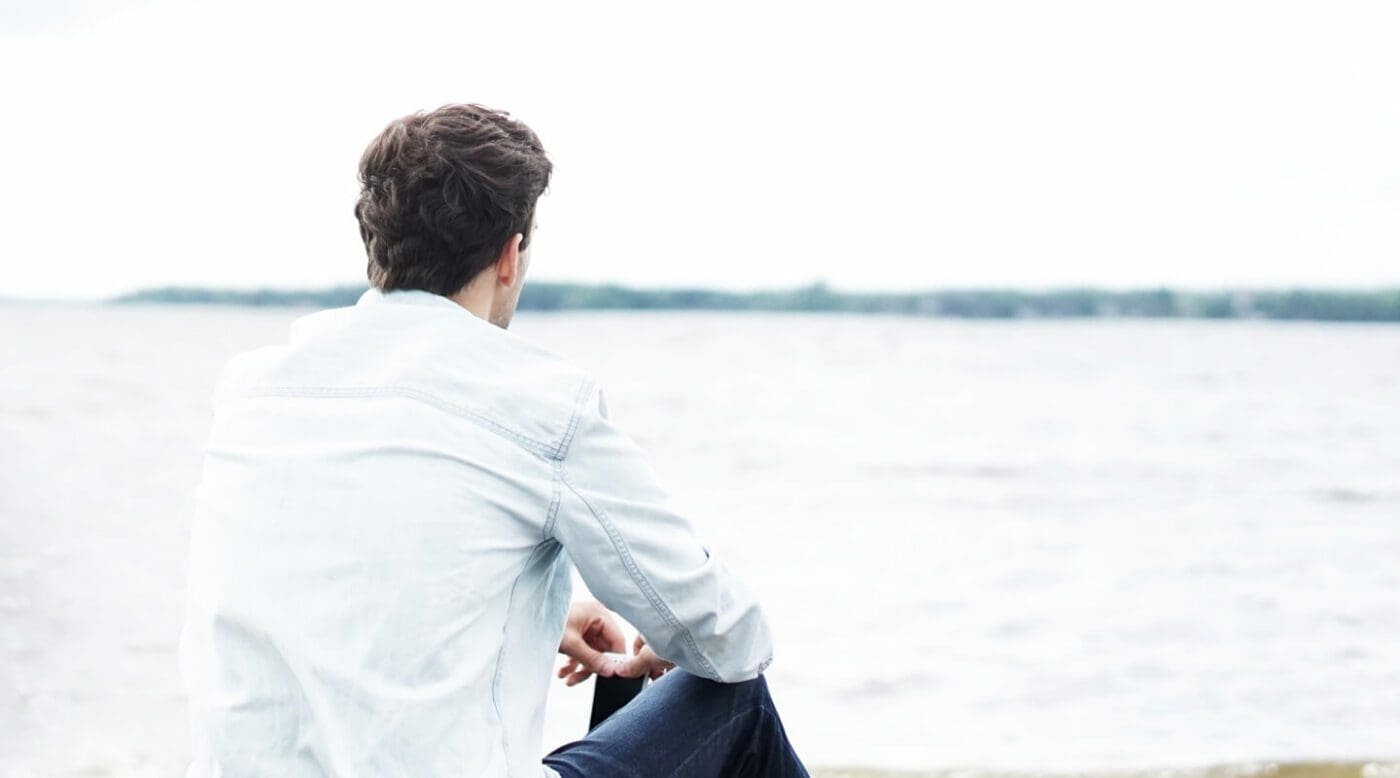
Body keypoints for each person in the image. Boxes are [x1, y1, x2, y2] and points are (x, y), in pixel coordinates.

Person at [178, 103, 809, 777]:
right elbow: (729, 633)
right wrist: (670, 635)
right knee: (737, 698)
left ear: (375, 245)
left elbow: (332, 587)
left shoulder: (254, 391)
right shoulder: (538, 403)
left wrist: (534, 618)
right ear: (510, 255)